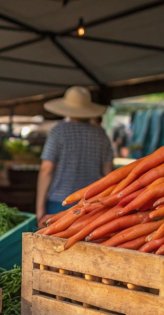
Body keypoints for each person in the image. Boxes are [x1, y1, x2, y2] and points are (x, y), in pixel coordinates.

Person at [37, 86, 113, 227]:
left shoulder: (58, 131)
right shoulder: (102, 135)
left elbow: (46, 169)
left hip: (59, 204)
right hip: (92, 204)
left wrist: (39, 210)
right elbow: (109, 174)